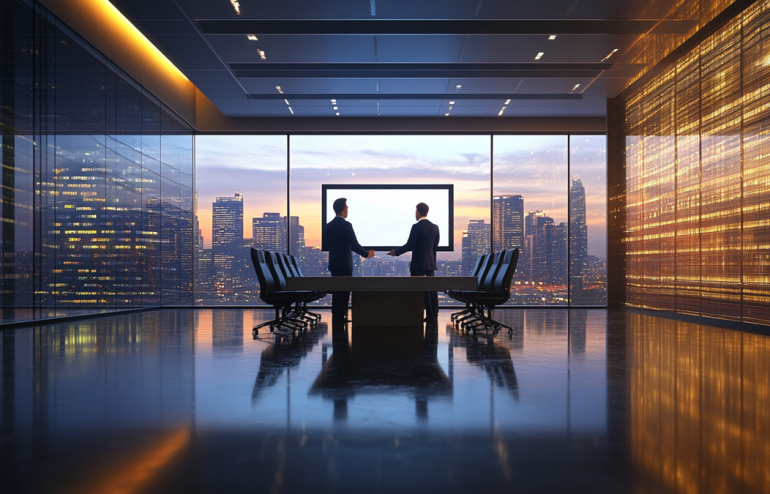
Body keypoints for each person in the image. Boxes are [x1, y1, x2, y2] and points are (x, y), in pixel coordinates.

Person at [323, 197, 374, 321]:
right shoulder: (346, 225)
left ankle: (336, 315)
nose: (348, 210)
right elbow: (354, 245)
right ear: (343, 209)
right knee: (344, 291)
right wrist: (367, 254)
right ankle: (341, 316)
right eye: (347, 208)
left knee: (336, 291)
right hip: (345, 264)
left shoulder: (328, 226)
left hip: (334, 264)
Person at [388, 202, 440, 322]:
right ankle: (434, 315)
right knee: (431, 289)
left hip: (418, 263)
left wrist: (395, 252)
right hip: (430, 264)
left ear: (417, 212)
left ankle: (424, 315)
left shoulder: (416, 227)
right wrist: (432, 262)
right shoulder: (435, 227)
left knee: (420, 290)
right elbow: (434, 247)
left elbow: (409, 245)